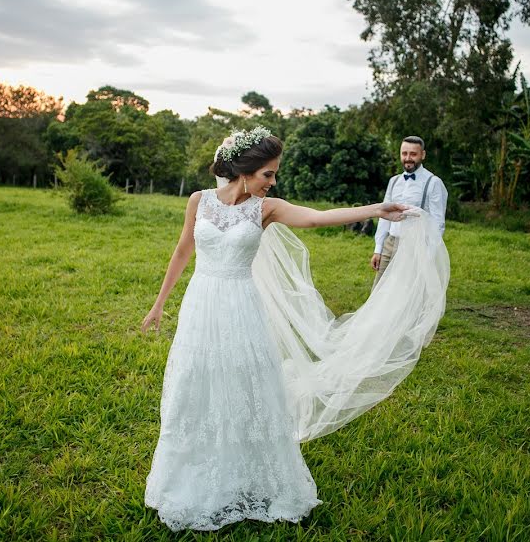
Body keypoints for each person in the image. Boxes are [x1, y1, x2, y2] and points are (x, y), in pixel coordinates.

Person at [141, 127, 449, 532]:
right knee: (196, 381)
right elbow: (183, 249)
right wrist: (160, 303)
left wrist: (375, 209)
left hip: (241, 306)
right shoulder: (198, 201)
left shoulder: (266, 208)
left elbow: (317, 219)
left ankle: (249, 472)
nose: (273, 181)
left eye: (273, 174)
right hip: (202, 304)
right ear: (246, 170)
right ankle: (192, 472)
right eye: (268, 174)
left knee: (246, 384)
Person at [371, 135, 448, 288]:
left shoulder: (433, 183)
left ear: (423, 155)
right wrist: (378, 249)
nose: (408, 158)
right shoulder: (394, 181)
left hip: (416, 246)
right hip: (390, 242)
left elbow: (438, 224)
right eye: (404, 153)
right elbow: (384, 216)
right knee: (378, 291)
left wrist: (428, 255)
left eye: (413, 154)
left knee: (405, 293)